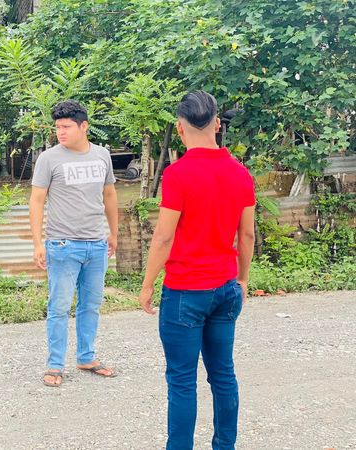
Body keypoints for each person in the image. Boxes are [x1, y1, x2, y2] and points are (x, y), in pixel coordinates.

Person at [138, 91, 255, 449]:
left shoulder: (178, 174)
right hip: (225, 287)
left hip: (185, 292)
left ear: (180, 128)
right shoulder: (240, 173)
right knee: (223, 375)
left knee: (182, 381)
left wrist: (147, 285)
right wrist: (242, 279)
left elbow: (163, 237)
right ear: (217, 124)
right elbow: (247, 234)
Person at [29, 100, 119, 387]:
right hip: (62, 245)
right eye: (57, 127)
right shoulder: (49, 159)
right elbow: (37, 201)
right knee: (59, 307)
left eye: (66, 126)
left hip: (96, 243)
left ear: (84, 126)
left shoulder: (102, 155)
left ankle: (86, 357)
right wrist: (38, 243)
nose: (61, 132)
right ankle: (55, 364)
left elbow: (109, 195)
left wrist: (114, 233)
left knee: (91, 305)